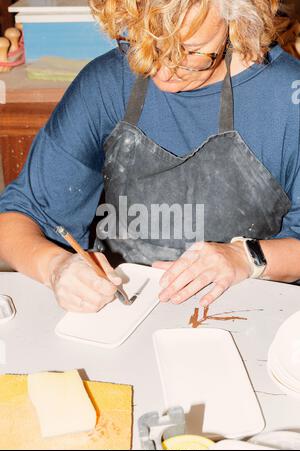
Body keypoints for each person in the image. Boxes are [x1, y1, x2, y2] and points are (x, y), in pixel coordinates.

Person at [0, 0, 300, 314]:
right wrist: (56, 267)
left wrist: (246, 257)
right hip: (123, 311)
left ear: (237, 18)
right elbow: (16, 219)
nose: (162, 72)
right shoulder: (109, 82)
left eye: (190, 51)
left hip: (248, 316)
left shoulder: (287, 98)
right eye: (147, 44)